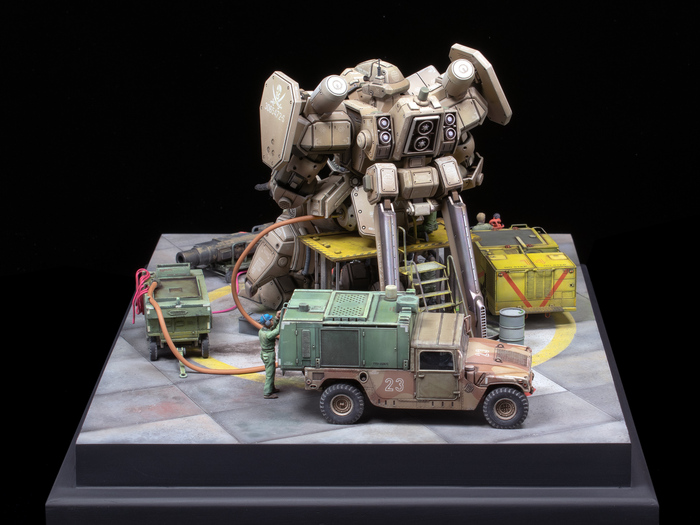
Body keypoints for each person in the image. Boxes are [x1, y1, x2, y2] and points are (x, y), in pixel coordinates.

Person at [258, 312, 281, 399]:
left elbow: (272, 328)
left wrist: (277, 318)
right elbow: (277, 330)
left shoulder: (262, 331)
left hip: (265, 354)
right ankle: (267, 393)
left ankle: (272, 388)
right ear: (267, 323)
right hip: (269, 355)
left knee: (271, 372)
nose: (272, 321)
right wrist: (282, 320)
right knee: (269, 374)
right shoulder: (268, 335)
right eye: (271, 320)